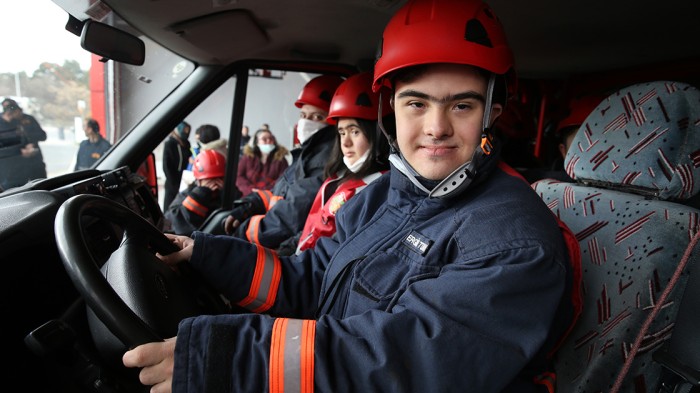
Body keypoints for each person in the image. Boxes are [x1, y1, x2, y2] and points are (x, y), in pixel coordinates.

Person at [123, 1, 575, 391]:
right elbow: (311, 280)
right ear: (391, 109)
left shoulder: (514, 240)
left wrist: (231, 360)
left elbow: (409, 361)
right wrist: (205, 254)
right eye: (417, 103)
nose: (437, 128)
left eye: (461, 105)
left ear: (491, 114)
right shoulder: (387, 195)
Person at [222, 74, 345, 250]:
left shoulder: (326, 159)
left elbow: (289, 217)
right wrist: (249, 206)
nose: (306, 122)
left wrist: (240, 234)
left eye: (317, 117)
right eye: (303, 115)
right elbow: (277, 193)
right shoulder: (307, 153)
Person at [289, 71, 391, 254]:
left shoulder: (378, 190)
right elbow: (313, 229)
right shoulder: (341, 176)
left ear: (378, 135)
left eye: (354, 131)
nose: (345, 142)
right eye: (342, 133)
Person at [164, 149, 226, 236]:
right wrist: (202, 194)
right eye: (209, 180)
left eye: (219, 179)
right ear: (198, 181)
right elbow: (173, 222)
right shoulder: (187, 196)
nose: (215, 184)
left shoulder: (229, 195)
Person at [2, 98, 47, 181]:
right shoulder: (4, 124)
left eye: (17, 111)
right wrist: (20, 151)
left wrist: (30, 140)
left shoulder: (28, 119)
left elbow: (43, 136)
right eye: (11, 113)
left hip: (34, 164)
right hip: (10, 170)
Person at [235, 128, 289, 197]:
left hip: (271, 198)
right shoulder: (247, 158)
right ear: (257, 142)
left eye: (271, 138)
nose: (268, 141)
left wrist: (264, 192)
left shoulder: (281, 160)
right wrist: (251, 190)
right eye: (264, 139)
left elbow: (283, 179)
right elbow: (238, 176)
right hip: (248, 197)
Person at [162, 121, 192, 211]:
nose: (186, 132)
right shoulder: (170, 144)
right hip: (173, 183)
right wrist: (173, 183)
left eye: (188, 130)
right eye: (185, 130)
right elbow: (166, 166)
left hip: (185, 181)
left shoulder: (187, 143)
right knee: (170, 208)